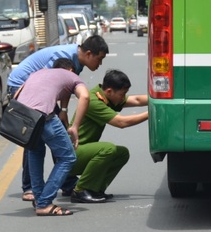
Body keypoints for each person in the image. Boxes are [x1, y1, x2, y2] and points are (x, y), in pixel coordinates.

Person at [6, 36, 108, 201]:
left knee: (55, 132)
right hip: (21, 87)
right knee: (33, 137)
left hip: (40, 92)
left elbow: (65, 85)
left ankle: (66, 182)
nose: (100, 64)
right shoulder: (64, 55)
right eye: (99, 59)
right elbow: (47, 82)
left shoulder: (77, 61)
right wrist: (65, 119)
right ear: (89, 54)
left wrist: (64, 110)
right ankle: (30, 186)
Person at [15, 58, 90, 216]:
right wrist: (75, 126)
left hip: (22, 114)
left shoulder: (39, 73)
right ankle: (44, 202)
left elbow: (18, 93)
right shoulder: (71, 75)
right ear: (70, 70)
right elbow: (85, 97)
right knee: (68, 157)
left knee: (35, 152)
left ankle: (39, 198)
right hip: (43, 114)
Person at [62, 69, 148, 203]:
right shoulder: (93, 101)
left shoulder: (106, 97)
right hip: (70, 154)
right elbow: (121, 122)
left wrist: (160, 99)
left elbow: (136, 100)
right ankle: (80, 190)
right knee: (108, 149)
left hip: (82, 151)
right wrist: (152, 113)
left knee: (122, 153)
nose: (123, 97)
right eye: (122, 94)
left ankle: (94, 189)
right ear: (109, 91)